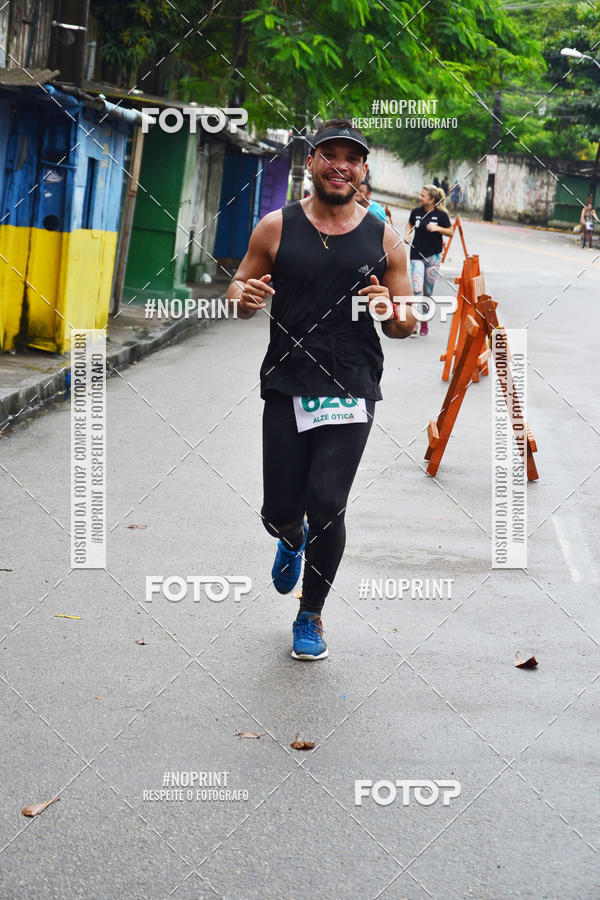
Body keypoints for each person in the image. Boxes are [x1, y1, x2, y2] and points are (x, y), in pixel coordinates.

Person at [227, 118, 416, 660]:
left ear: (362, 170)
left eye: (351, 157)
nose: (341, 165)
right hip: (287, 384)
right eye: (329, 155)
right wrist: (245, 297)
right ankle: (290, 537)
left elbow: (404, 323)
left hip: (350, 387)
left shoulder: (384, 237)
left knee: (328, 503)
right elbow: (238, 290)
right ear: (310, 162)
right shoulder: (275, 227)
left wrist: (392, 313)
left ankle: (310, 616)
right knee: (279, 510)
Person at [404, 184, 453, 336]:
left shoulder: (441, 215)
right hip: (416, 255)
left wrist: (438, 228)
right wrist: (407, 234)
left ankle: (424, 321)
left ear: (432, 200)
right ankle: (414, 324)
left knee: (427, 292)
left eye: (423, 196)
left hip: (433, 256)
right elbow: (410, 223)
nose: (419, 197)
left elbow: (450, 232)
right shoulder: (416, 212)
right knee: (417, 289)